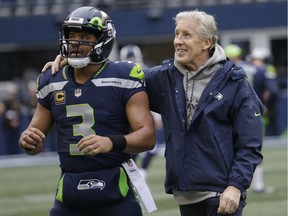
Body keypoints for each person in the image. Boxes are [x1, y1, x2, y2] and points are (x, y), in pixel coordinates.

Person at [43, 9, 264, 216]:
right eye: (177, 34)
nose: (178, 41)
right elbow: (114, 81)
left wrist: (236, 185)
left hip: (221, 191)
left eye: (186, 35)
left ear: (207, 42)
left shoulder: (234, 81)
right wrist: (75, 62)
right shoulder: (162, 77)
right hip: (186, 193)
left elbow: (250, 143)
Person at [19, 6, 156, 216]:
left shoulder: (124, 76)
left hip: (115, 187)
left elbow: (147, 137)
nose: (75, 42)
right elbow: (35, 142)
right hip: (70, 189)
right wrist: (28, 141)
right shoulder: (52, 79)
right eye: (72, 36)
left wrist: (110, 142)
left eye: (84, 36)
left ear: (103, 40)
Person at [224, 44, 277, 194]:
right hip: (252, 114)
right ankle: (257, 185)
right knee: (252, 148)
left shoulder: (220, 71)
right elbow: (272, 90)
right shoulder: (258, 70)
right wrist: (265, 106)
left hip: (227, 114)